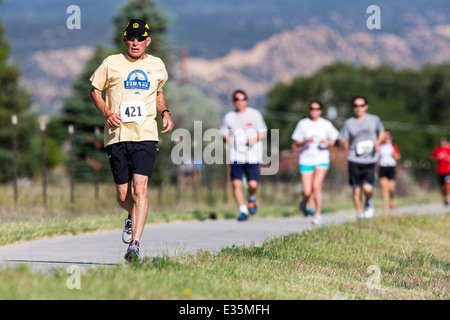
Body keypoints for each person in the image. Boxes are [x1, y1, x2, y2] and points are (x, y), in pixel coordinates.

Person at [89, 19, 174, 261]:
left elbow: (158, 92)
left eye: (140, 38)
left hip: (146, 135)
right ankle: (131, 215)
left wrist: (165, 113)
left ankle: (135, 244)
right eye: (131, 38)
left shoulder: (157, 66)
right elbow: (95, 90)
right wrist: (107, 113)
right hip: (117, 136)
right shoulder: (111, 63)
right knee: (124, 196)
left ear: (148, 41)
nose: (135, 42)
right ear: (125, 39)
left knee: (140, 189)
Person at [220, 89, 268, 221]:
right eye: (236, 99)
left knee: (253, 184)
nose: (239, 102)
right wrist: (227, 139)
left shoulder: (255, 114)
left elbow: (264, 131)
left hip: (252, 154)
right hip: (236, 155)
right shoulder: (229, 117)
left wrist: (254, 139)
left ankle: (251, 198)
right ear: (234, 102)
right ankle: (243, 210)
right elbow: (223, 133)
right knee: (236, 184)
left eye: (242, 99)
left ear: (246, 101)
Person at [291, 100, 339, 225]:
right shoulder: (303, 124)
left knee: (316, 187)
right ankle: (306, 201)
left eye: (317, 109)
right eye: (312, 108)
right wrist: (305, 141)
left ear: (321, 111)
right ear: (309, 110)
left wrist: (326, 142)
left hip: (321, 158)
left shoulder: (326, 124)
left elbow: (334, 140)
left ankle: (317, 214)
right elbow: (295, 144)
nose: (314, 111)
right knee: (307, 191)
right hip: (306, 158)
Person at [338, 96, 385, 219]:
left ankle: (368, 204)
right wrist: (344, 143)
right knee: (356, 189)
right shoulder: (349, 123)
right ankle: (359, 214)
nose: (358, 108)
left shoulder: (374, 120)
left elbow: (382, 132)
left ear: (366, 106)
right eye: (356, 106)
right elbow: (343, 138)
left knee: (368, 188)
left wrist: (378, 143)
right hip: (354, 159)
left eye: (361, 105)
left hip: (370, 159)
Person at [377, 130, 401, 212]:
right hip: (383, 167)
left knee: (391, 187)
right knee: (384, 186)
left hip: (391, 167)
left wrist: (395, 155)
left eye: (388, 136)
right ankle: (386, 204)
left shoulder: (393, 146)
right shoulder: (380, 146)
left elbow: (398, 157)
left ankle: (393, 200)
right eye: (385, 136)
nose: (386, 138)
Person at [430, 137, 450, 206]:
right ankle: (444, 198)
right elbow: (432, 158)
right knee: (442, 186)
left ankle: (448, 198)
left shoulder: (448, 149)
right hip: (440, 170)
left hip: (448, 170)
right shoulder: (437, 149)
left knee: (447, 185)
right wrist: (437, 158)